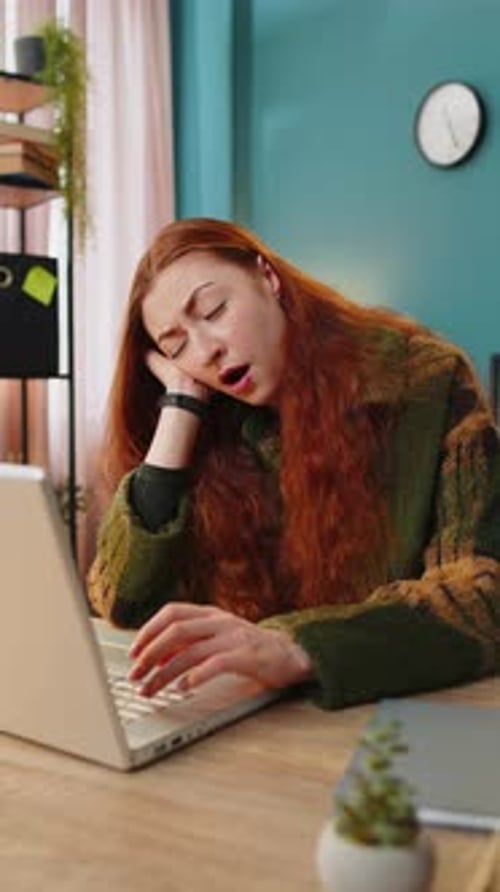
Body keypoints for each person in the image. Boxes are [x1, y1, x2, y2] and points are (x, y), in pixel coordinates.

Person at [88, 217, 500, 709]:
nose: (206, 350)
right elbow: (118, 602)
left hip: (391, 716)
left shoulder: (424, 381)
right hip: (247, 719)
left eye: (215, 310)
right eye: (176, 346)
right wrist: (180, 410)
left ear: (268, 277)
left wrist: (294, 645)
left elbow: (483, 595)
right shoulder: (209, 419)